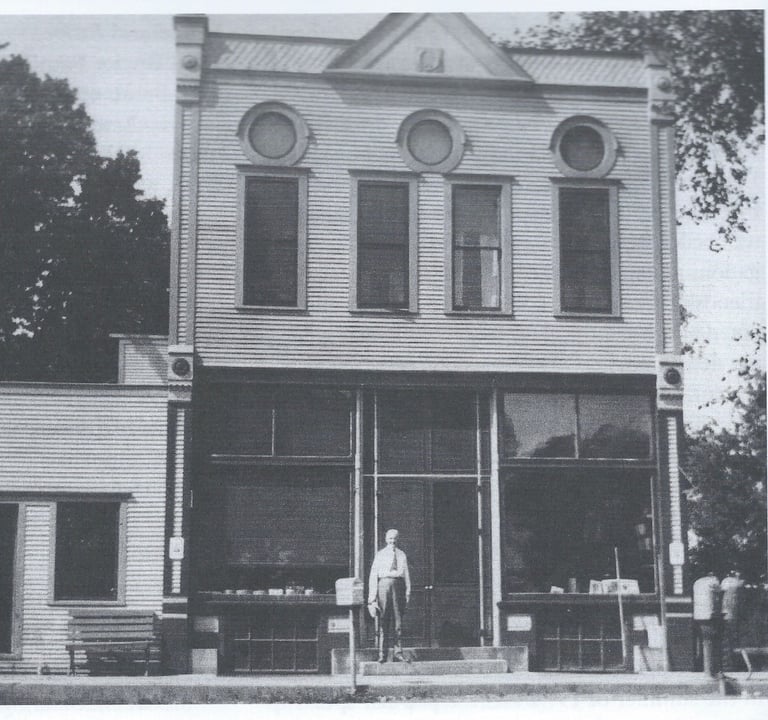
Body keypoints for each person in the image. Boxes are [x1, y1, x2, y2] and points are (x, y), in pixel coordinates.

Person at [368, 528, 411, 663]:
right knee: (384, 620)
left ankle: (398, 653)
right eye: (390, 538)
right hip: (384, 586)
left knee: (398, 621)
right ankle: (382, 654)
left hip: (398, 586)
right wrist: (372, 598)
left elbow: (406, 574)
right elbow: (373, 575)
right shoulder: (380, 554)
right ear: (386, 539)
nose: (393, 541)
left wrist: (408, 591)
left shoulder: (402, 555)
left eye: (395, 538)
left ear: (398, 540)